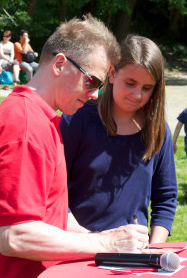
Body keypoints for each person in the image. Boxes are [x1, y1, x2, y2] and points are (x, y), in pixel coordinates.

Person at [0, 15, 159, 278]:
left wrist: (109, 241)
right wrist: (105, 244)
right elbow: (15, 235)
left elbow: (52, 216)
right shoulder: (25, 127)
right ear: (60, 64)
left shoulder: (39, 117)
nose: (96, 93)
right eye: (92, 81)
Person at [60, 35, 178, 243]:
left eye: (147, 88)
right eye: (130, 83)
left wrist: (153, 249)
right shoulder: (77, 119)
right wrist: (93, 240)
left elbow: (165, 198)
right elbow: (54, 191)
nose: (137, 95)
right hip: (79, 245)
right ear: (112, 74)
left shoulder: (158, 131)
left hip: (135, 253)